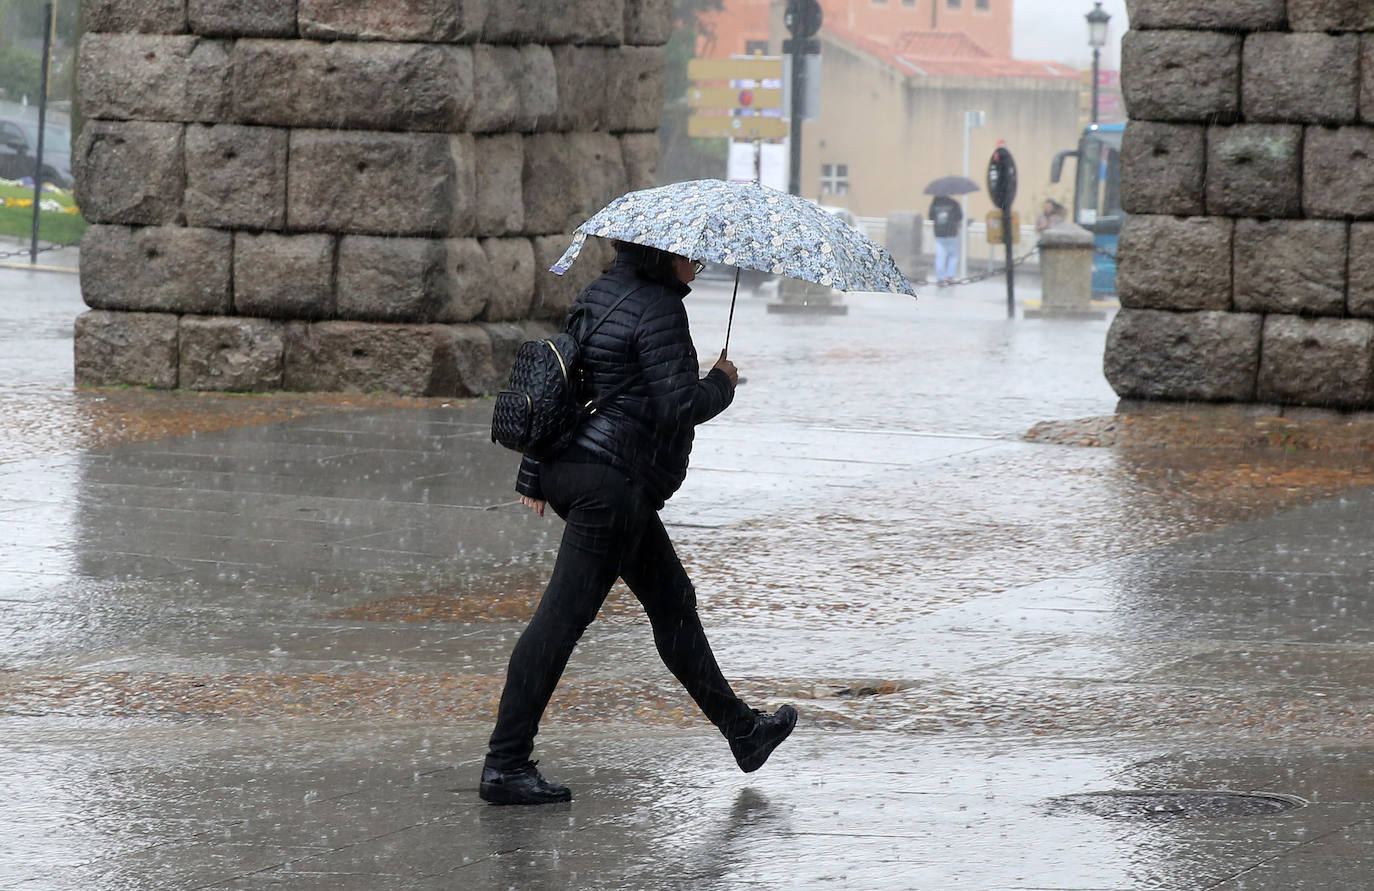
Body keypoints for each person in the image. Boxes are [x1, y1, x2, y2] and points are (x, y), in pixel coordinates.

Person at [479, 239, 799, 806]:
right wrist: (721, 380)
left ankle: (744, 733)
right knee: (559, 622)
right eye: (690, 258)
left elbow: (561, 384)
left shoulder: (597, 292)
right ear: (662, 255)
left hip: (579, 473)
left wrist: (534, 472)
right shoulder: (661, 309)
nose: (696, 268)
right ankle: (505, 765)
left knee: (673, 603)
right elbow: (679, 407)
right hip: (610, 486)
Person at [928, 194, 962, 286]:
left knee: (940, 256)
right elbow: (959, 217)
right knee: (953, 256)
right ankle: (950, 276)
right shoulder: (954, 203)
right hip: (951, 233)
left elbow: (931, 217)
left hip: (939, 234)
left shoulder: (935, 204)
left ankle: (940, 278)